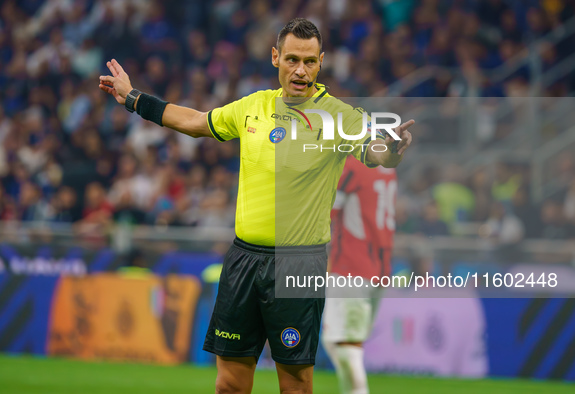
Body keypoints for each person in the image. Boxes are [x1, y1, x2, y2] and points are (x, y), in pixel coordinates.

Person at [99, 18, 413, 394]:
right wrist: (135, 99)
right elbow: (197, 122)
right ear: (275, 57)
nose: (301, 70)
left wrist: (391, 152)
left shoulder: (339, 117)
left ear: (321, 61)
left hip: (299, 265)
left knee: (296, 386)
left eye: (310, 61)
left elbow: (375, 150)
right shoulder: (254, 107)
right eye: (293, 59)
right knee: (229, 384)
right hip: (243, 261)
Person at [322, 156, 397, 394]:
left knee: (341, 341)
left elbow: (325, 213)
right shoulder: (388, 168)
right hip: (380, 266)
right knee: (348, 341)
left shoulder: (354, 165)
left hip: (352, 265)